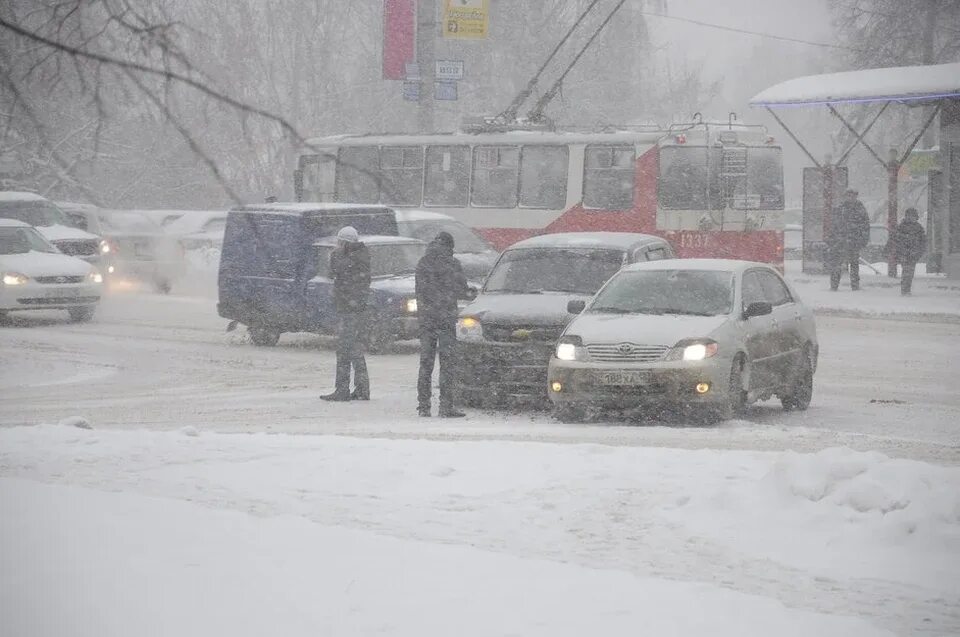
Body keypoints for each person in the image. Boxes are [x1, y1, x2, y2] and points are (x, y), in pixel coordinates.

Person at [415, 231, 471, 417]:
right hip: (446, 318)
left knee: (426, 364)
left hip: (427, 319)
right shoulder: (452, 264)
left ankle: (423, 406)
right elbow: (461, 289)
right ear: (450, 247)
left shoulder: (423, 262)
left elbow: (420, 290)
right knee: (447, 363)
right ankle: (446, 406)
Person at [321, 226, 371, 401]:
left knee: (343, 350)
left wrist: (334, 256)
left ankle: (342, 389)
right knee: (355, 349)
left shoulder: (348, 258)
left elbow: (337, 273)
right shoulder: (362, 255)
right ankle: (363, 388)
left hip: (349, 310)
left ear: (344, 242)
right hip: (356, 309)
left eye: (339, 242)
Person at [827, 188, 870, 291]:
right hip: (841, 241)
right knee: (837, 264)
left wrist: (863, 240)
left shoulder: (860, 209)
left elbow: (865, 226)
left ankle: (854, 285)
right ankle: (834, 285)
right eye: (849, 195)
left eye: (853, 196)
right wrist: (833, 238)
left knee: (854, 264)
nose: (851, 198)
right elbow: (833, 226)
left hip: (853, 241)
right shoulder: (841, 209)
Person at [893, 208, 926, 296]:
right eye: (909, 216)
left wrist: (918, 252)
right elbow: (897, 240)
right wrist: (900, 251)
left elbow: (923, 242)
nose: (911, 218)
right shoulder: (902, 227)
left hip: (913, 254)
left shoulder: (919, 228)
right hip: (905, 253)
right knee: (906, 271)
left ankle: (907, 288)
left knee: (910, 272)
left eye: (913, 216)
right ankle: (905, 289)